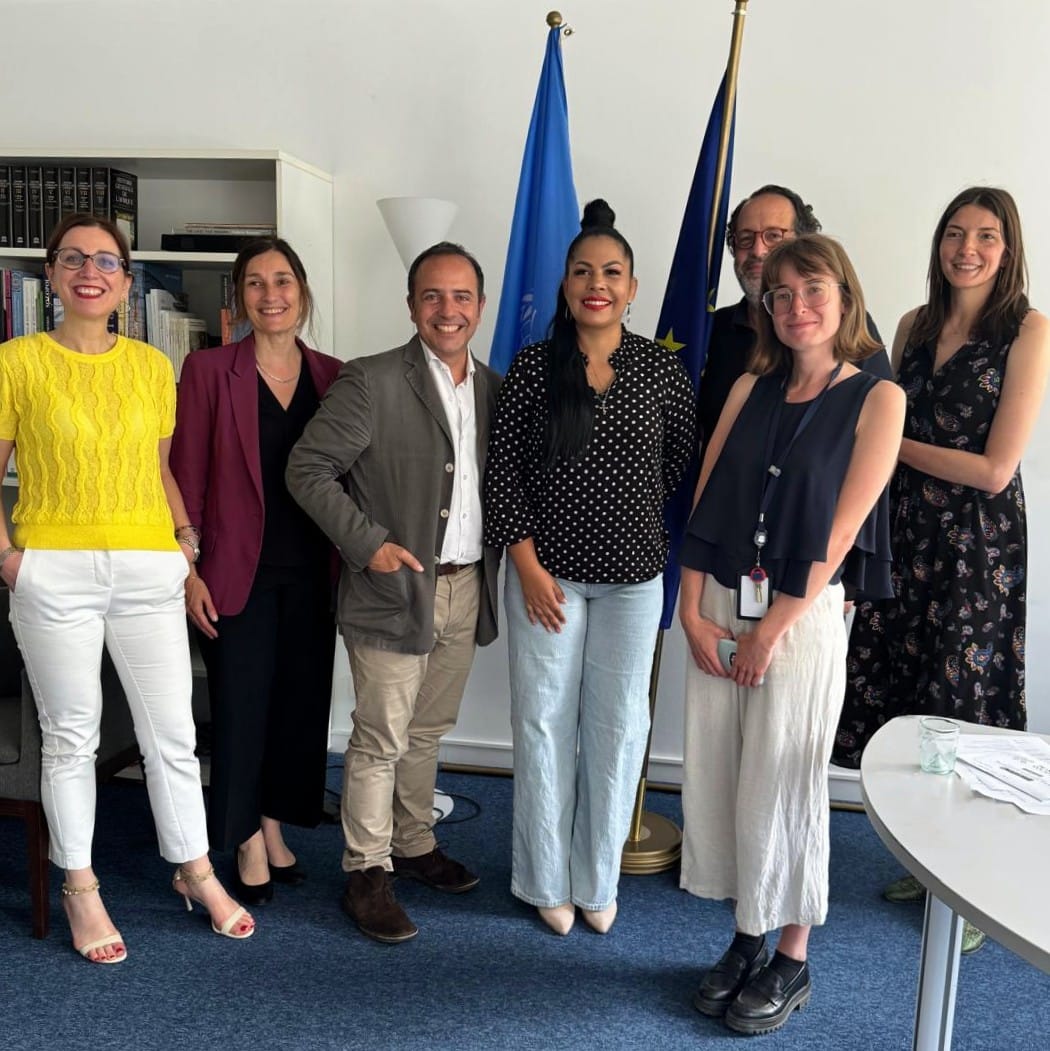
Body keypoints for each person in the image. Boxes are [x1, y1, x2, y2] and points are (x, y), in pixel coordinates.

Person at [0, 214, 254, 963]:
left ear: (123, 278)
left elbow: (161, 469)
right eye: (73, 258)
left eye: (106, 259)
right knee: (72, 734)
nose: (90, 270)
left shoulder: (150, 365)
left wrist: (184, 544)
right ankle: (81, 886)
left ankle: (195, 868)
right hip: (55, 570)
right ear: (51, 274)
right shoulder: (16, 360)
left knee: (171, 731)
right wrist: (9, 558)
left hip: (148, 567)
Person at [678, 234, 904, 1034]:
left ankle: (793, 954)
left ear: (843, 296)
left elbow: (842, 531)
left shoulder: (877, 397)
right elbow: (706, 497)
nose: (797, 307)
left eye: (813, 290)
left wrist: (773, 628)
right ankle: (746, 936)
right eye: (781, 294)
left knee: (787, 780)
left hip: (801, 620)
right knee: (730, 775)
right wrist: (690, 609)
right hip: (724, 611)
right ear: (767, 308)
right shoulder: (748, 387)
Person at [834, 187, 1050, 943]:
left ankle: (973, 893)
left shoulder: (1029, 330)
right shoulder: (912, 325)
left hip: (977, 546)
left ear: (1008, 246)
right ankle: (932, 864)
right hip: (906, 534)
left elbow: (995, 469)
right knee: (912, 705)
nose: (967, 248)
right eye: (955, 233)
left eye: (986, 236)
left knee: (964, 708)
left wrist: (891, 449)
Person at [483, 200, 695, 936]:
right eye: (582, 272)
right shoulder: (535, 367)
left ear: (632, 287)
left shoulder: (662, 372)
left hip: (635, 582)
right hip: (547, 577)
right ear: (567, 286)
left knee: (619, 724)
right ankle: (545, 877)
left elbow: (678, 466)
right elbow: (502, 472)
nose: (596, 284)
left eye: (611, 272)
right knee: (542, 722)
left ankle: (597, 877)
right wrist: (529, 565)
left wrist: (625, 525)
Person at [286, 241, 500, 944]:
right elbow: (309, 468)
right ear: (411, 306)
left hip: (465, 584)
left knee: (428, 731)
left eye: (461, 296)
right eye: (432, 296)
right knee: (379, 737)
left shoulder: (493, 388)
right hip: (390, 590)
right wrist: (367, 543)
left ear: (480, 305)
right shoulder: (370, 380)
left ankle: (413, 844)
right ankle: (367, 871)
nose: (448, 309)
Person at [170, 238, 342, 905]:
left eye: (282, 280)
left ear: (302, 288)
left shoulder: (333, 374)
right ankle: (240, 837)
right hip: (234, 570)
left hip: (312, 571)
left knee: (299, 705)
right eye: (254, 283)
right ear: (238, 297)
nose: (270, 295)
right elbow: (183, 475)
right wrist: (188, 573)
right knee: (242, 708)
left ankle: (272, 824)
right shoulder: (209, 370)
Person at [699, 184, 892, 466]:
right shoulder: (711, 330)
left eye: (774, 236)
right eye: (745, 239)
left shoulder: (846, 325)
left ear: (804, 242)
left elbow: (880, 443)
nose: (758, 250)